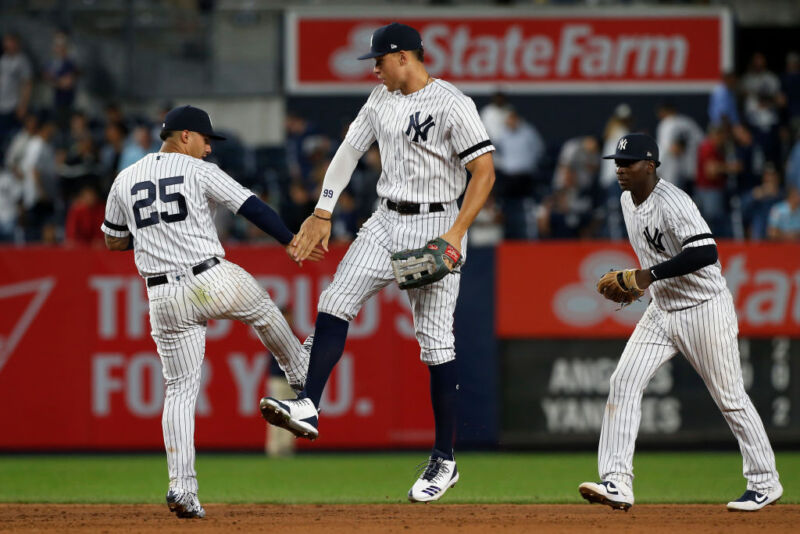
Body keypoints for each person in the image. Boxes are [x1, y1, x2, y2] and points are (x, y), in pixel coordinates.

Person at [259, 22, 495, 503]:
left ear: (405, 56)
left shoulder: (453, 103)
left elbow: (484, 173)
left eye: (380, 61)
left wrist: (454, 235)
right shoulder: (380, 100)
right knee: (335, 300)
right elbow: (348, 151)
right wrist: (323, 210)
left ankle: (444, 459)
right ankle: (308, 405)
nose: (376, 70)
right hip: (386, 221)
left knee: (434, 342)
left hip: (435, 229)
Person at [100, 105, 322, 519]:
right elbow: (250, 206)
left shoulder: (124, 178)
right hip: (208, 277)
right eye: (204, 140)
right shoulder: (198, 170)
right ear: (184, 136)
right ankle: (302, 384)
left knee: (180, 391)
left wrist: (155, 235)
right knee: (264, 312)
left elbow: (114, 242)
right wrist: (290, 240)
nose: (207, 148)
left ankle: (181, 488)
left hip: (161, 296)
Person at [578, 133, 781, 513]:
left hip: (703, 308)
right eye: (618, 163)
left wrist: (646, 276)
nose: (620, 169)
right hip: (662, 311)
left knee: (730, 397)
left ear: (651, 165)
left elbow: (706, 251)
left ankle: (765, 481)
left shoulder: (673, 202)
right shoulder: (625, 200)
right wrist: (648, 282)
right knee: (623, 381)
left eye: (630, 162)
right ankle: (617, 481)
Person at [0, 32, 33, 157]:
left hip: (14, 105)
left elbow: (27, 84)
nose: (7, 45)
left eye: (10, 42)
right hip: (2, 104)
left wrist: (23, 105)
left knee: (14, 137)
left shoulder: (22, 61)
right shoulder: (3, 59)